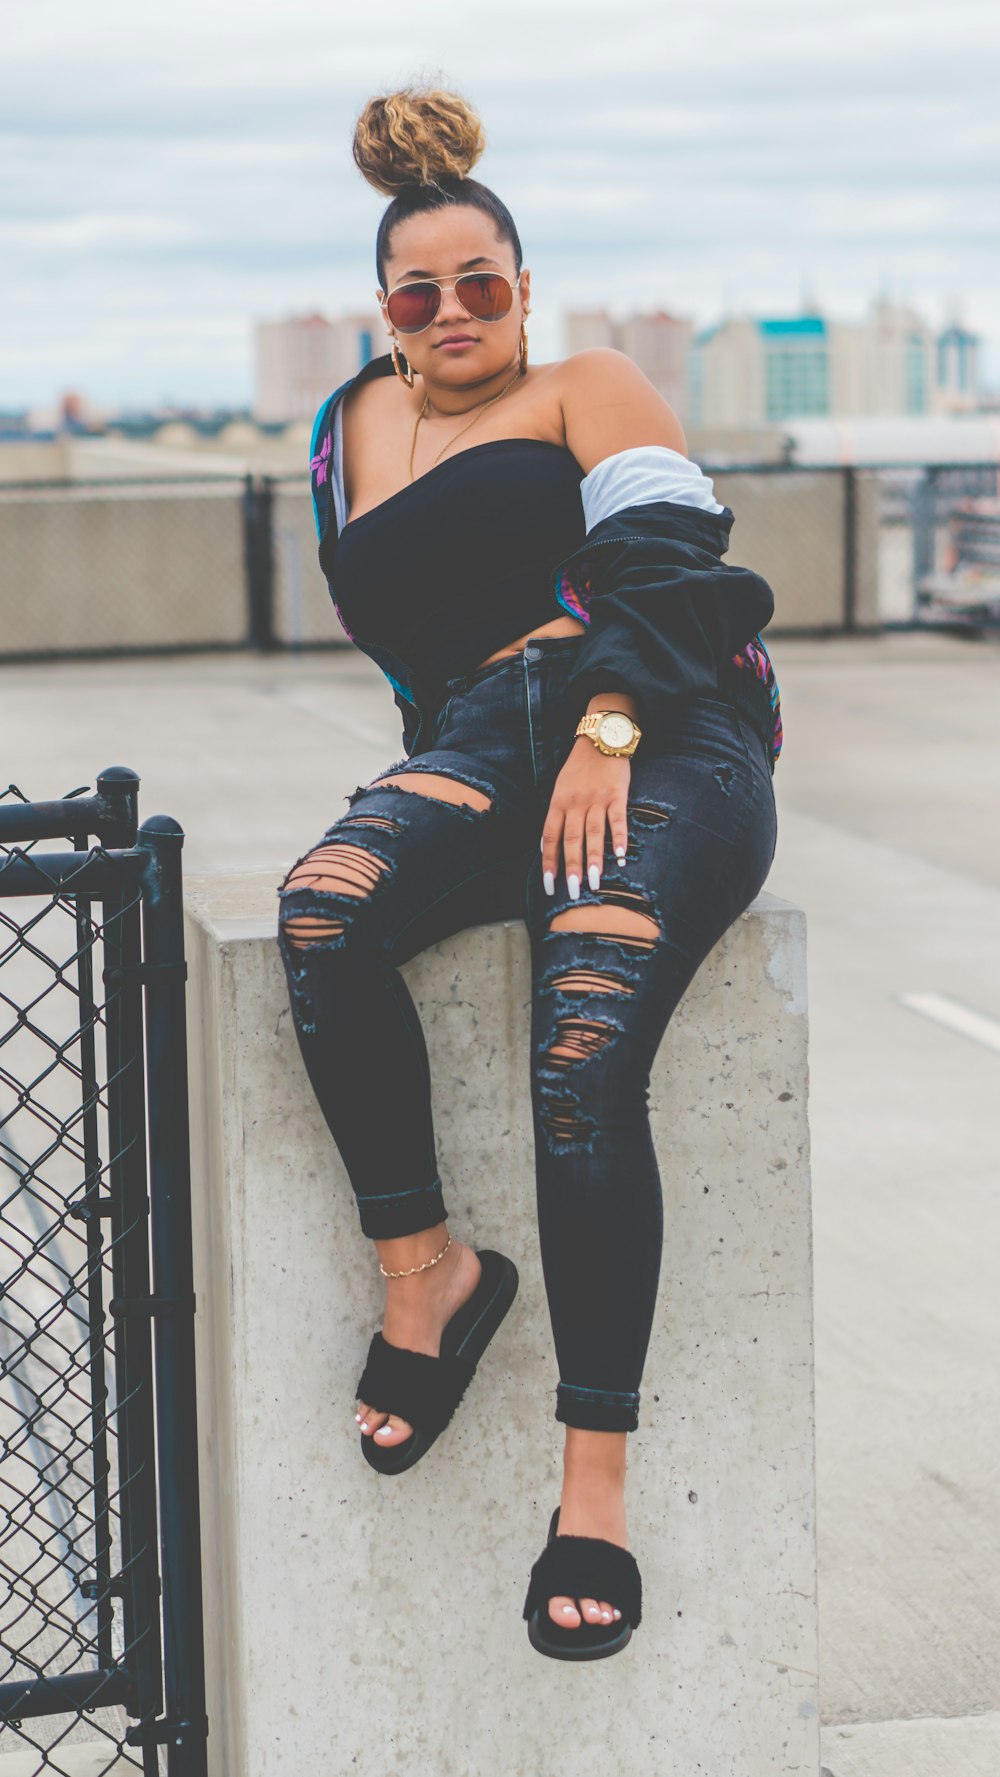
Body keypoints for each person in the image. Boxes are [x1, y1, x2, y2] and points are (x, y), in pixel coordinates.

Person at [277, 83, 782, 1662]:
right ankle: (430, 1272)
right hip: (480, 749)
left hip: (658, 723)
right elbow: (417, 656)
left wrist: (609, 721)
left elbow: (673, 563)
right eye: (417, 292)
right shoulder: (344, 427)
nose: (449, 313)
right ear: (383, 308)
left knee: (584, 1043)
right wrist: (451, 779)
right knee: (323, 913)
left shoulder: (589, 381)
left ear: (522, 283)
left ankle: (594, 1489)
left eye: (478, 283)